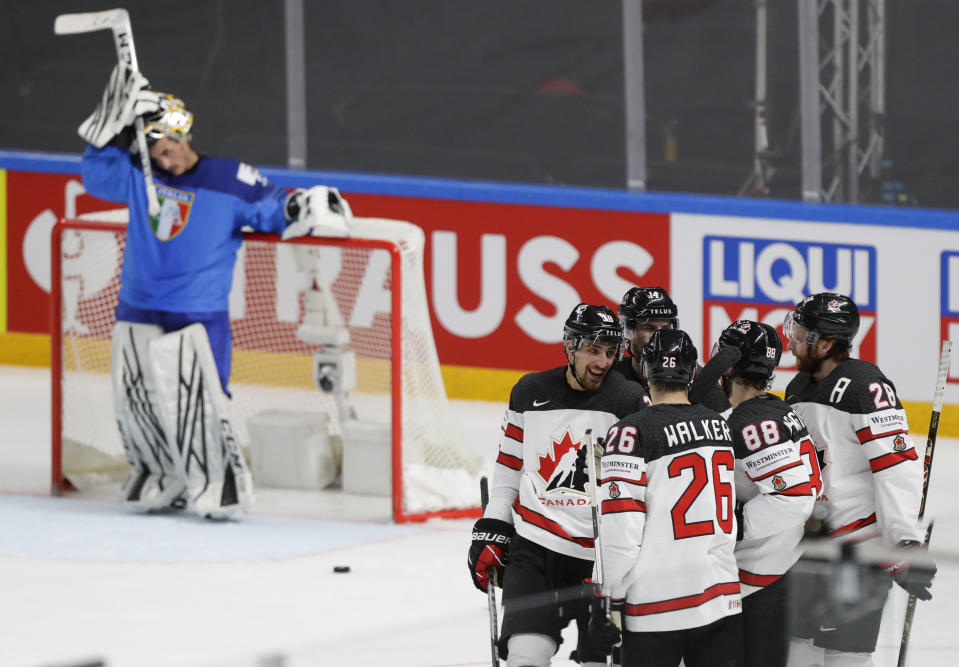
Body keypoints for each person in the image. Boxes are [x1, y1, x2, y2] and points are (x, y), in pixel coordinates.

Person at [77, 65, 351, 516]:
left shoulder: (228, 178)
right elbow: (94, 173)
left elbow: (274, 206)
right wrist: (112, 124)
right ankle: (159, 476)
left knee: (198, 400)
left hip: (198, 312)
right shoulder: (137, 173)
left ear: (184, 138)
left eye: (170, 150)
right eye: (156, 154)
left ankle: (216, 485)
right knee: (139, 400)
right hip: (137, 306)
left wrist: (304, 204)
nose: (166, 161)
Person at [467, 303, 647, 667]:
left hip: (600, 558)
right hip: (536, 549)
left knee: (600, 660)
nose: (602, 362)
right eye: (593, 350)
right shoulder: (529, 392)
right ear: (569, 345)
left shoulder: (627, 399)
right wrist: (493, 526)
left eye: (610, 353)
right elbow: (508, 473)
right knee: (525, 657)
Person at [783, 292, 934, 666]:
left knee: (845, 657)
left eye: (801, 337)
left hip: (857, 551)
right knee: (797, 651)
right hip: (808, 548)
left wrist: (902, 544)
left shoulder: (867, 386)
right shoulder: (796, 389)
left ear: (827, 344)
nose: (792, 343)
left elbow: (895, 468)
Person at [590, 328, 742, 667]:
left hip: (656, 606)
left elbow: (622, 529)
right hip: (720, 596)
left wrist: (608, 599)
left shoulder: (630, 431)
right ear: (691, 373)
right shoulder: (719, 426)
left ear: (645, 370)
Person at [698, 320, 818, 667]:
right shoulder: (774, 411)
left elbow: (793, 498)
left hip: (762, 579)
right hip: (778, 567)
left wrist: (732, 525)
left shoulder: (752, 424)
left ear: (730, 365)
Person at [614, 286, 729, 413]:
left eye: (665, 328)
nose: (659, 337)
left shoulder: (700, 380)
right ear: (628, 332)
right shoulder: (612, 376)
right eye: (649, 328)